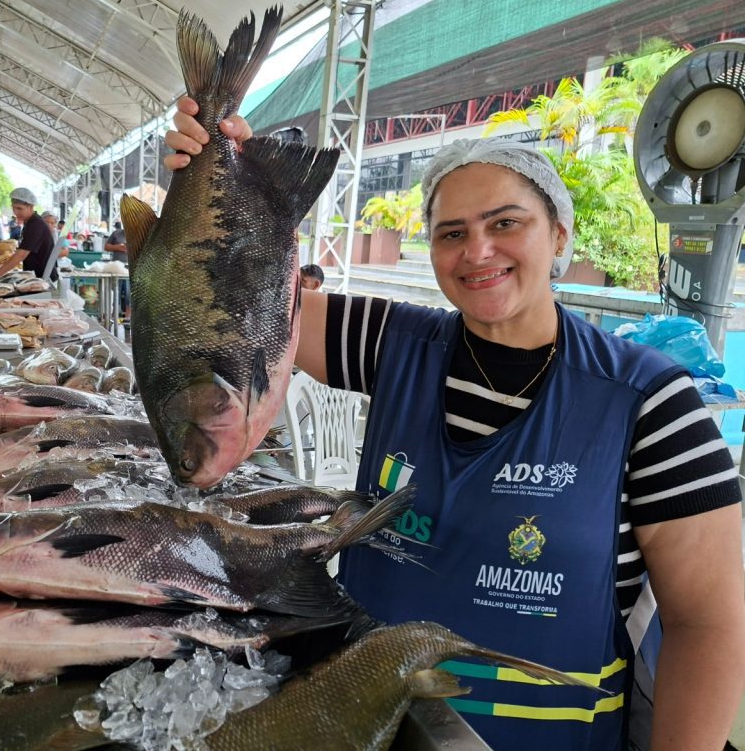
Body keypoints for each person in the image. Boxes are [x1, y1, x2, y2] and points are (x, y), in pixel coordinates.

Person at [165, 99, 745, 751]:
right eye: (450, 233)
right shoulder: (391, 343)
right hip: (362, 721)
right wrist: (216, 178)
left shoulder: (650, 402)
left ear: (559, 234)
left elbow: (707, 624)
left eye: (506, 223)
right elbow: (238, 299)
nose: (478, 251)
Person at [0, 188, 57, 282]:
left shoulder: (36, 225)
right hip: (35, 276)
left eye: (19, 208)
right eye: (14, 208)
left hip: (44, 279)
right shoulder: (29, 222)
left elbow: (21, 255)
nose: (16, 212)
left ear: (31, 207)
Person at [105, 220, 130, 318]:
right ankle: (113, 315)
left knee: (129, 293)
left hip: (129, 268)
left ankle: (128, 317)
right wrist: (118, 247)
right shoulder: (116, 233)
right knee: (115, 292)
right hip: (117, 268)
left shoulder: (137, 235)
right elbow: (106, 247)